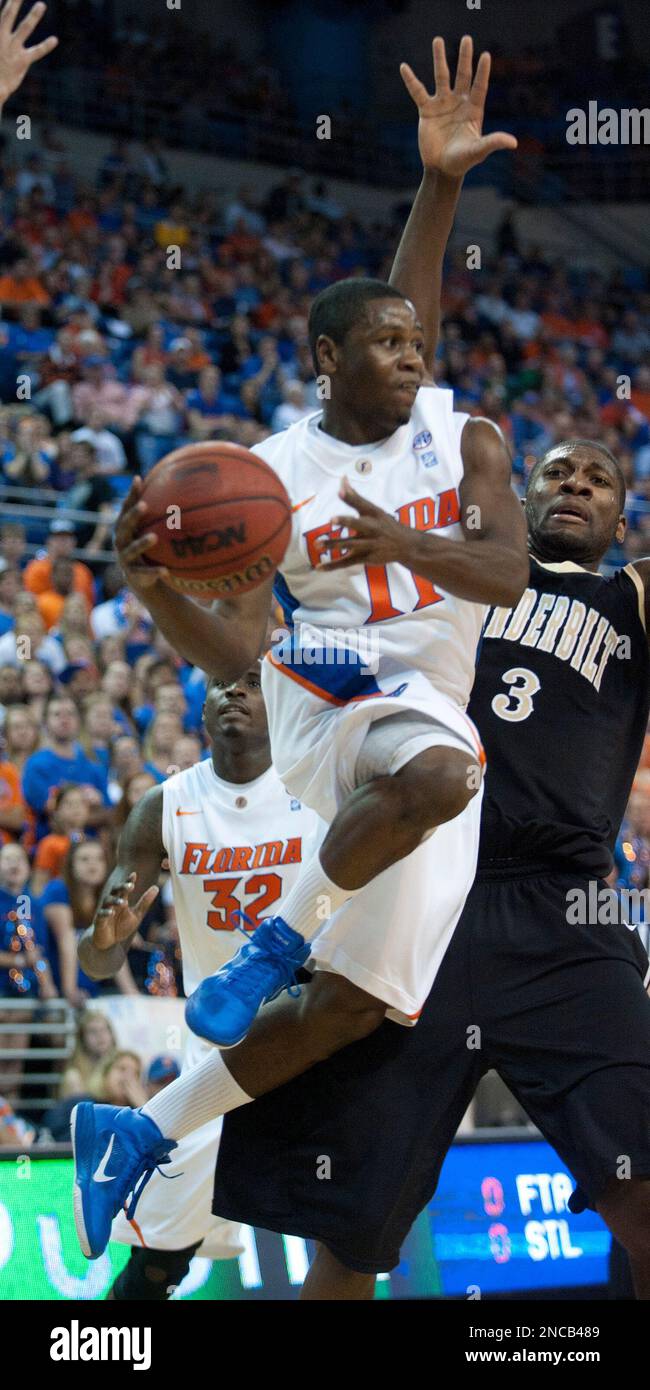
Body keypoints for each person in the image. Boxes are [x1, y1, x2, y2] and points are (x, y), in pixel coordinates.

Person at [70, 38, 526, 1259]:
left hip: (429, 698)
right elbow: (236, 653)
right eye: (381, 343)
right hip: (332, 707)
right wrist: (147, 583)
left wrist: (439, 184)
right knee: (437, 774)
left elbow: (505, 575)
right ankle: (280, 927)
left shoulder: (463, 434)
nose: (409, 349)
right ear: (326, 362)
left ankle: (142, 1126)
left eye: (412, 339)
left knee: (359, 1002)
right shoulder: (266, 478)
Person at [74, 669, 323, 1294]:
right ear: (200, 713)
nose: (233, 693)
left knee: (344, 1229)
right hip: (216, 1044)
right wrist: (106, 939)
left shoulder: (316, 784)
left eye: (250, 684)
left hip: (312, 1023)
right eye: (219, 685)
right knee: (162, 1259)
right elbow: (96, 963)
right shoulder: (164, 804)